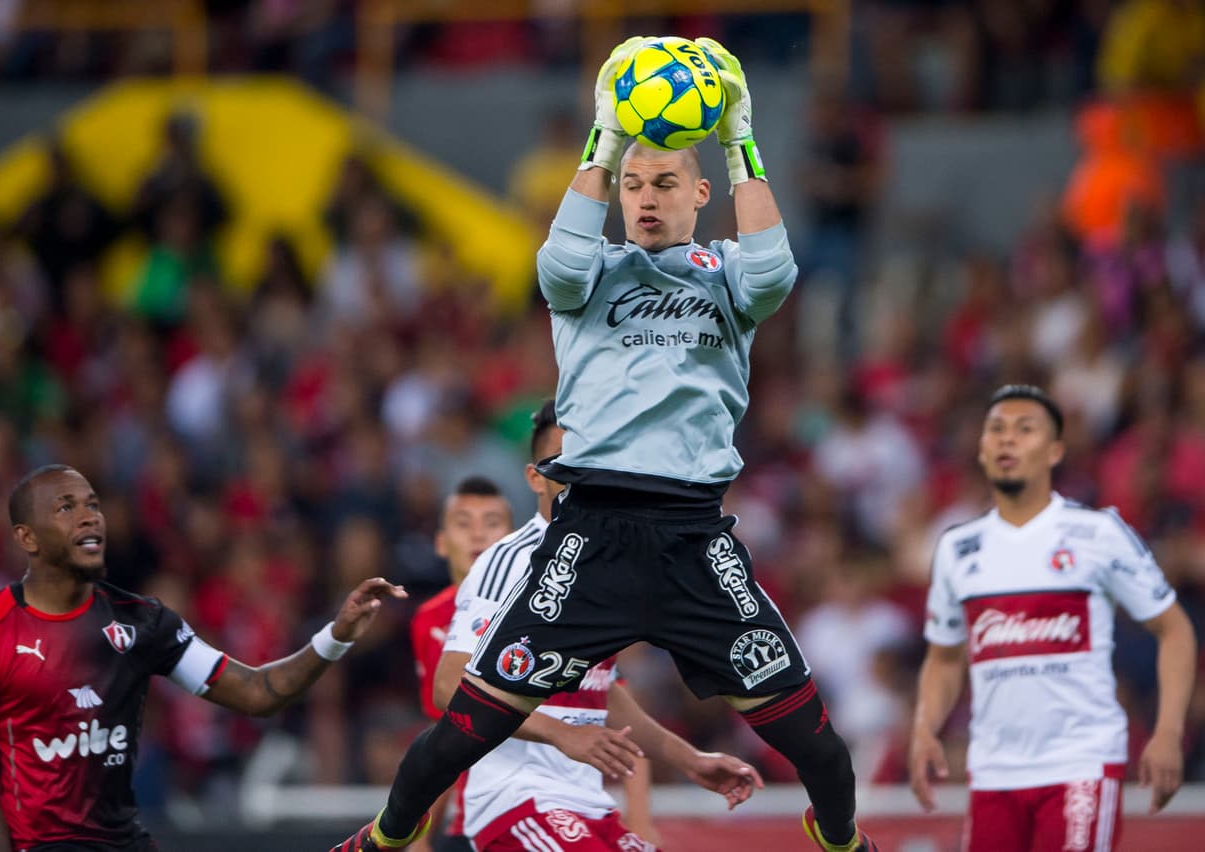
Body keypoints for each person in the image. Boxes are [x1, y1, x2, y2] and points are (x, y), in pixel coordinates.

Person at [333, 36, 876, 852]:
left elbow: (775, 272)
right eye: (631, 185)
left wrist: (737, 139)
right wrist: (605, 134)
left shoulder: (728, 274)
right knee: (469, 726)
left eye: (664, 184)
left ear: (700, 193)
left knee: (820, 751)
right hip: (590, 537)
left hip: (696, 540)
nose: (645, 198)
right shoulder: (589, 280)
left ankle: (841, 842)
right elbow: (554, 262)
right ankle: (381, 840)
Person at [0, 464, 406, 851]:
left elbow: (259, 693)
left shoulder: (144, 623)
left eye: (94, 505)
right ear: (27, 538)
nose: (89, 518)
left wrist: (336, 635)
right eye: (67, 507)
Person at [433, 400, 762, 851]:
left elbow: (600, 688)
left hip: (588, 801)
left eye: (586, 462)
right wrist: (563, 734)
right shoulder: (509, 561)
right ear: (534, 477)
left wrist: (689, 758)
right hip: (517, 798)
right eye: (560, 464)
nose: (575, 478)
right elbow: (450, 685)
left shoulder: (608, 562)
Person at [909, 385, 1197, 852]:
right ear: (981, 449)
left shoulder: (1097, 533)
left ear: (1055, 450)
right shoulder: (956, 549)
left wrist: (1167, 732)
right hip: (994, 772)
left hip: (1080, 763)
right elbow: (944, 659)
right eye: (997, 430)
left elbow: (1175, 629)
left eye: (1025, 430)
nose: (1007, 440)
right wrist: (924, 730)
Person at [410, 475, 514, 851]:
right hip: (477, 802)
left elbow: (610, 696)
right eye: (463, 523)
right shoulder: (428, 620)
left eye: (491, 523)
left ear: (514, 540)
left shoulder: (539, 607)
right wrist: (418, 833)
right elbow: (444, 732)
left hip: (548, 784)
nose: (478, 535)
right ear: (441, 542)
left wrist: (640, 815)